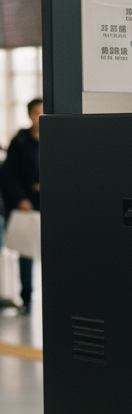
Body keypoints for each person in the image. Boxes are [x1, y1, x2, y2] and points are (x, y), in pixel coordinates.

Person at [1, 98, 42, 314]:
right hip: (27, 203)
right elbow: (8, 175)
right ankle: (27, 297)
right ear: (29, 115)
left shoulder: (56, 138)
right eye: (36, 113)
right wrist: (20, 199)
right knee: (26, 253)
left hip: (50, 203)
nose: (40, 117)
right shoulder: (21, 142)